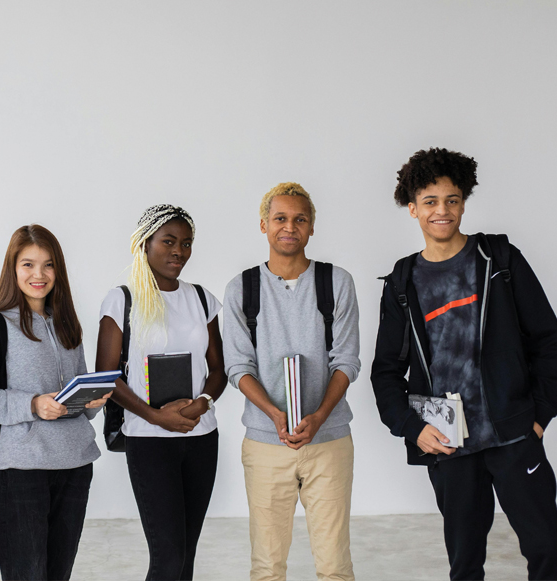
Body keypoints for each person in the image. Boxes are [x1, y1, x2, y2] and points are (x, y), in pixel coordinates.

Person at [372, 147, 557, 580]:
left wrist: (539, 416)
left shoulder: (499, 260)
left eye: (452, 200)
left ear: (463, 203)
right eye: (431, 201)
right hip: (451, 444)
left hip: (513, 435)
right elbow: (385, 371)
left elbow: (549, 341)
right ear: (413, 208)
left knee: (547, 549)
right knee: (465, 562)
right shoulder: (403, 282)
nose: (443, 210)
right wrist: (414, 429)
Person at [222, 183, 360, 581]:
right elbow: (238, 366)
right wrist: (274, 414)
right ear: (263, 225)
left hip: (329, 439)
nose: (289, 227)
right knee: (267, 565)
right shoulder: (242, 289)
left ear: (312, 227)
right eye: (280, 218)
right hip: (266, 442)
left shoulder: (336, 283)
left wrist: (317, 417)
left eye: (300, 219)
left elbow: (347, 360)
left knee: (335, 565)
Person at [0, 224, 109, 581]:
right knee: (26, 574)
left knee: (59, 573)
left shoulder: (67, 324)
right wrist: (32, 404)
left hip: (75, 464)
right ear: (13, 269)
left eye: (48, 265)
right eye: (28, 264)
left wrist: (94, 401)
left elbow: (78, 400)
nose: (38, 275)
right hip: (21, 468)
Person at [95, 204, 225, 581]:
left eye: (186, 243)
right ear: (144, 243)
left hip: (201, 437)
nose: (179, 251)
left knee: (185, 557)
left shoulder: (202, 299)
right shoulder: (122, 300)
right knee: (167, 558)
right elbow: (106, 376)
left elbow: (218, 369)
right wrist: (154, 416)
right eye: (168, 241)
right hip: (149, 440)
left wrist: (202, 404)